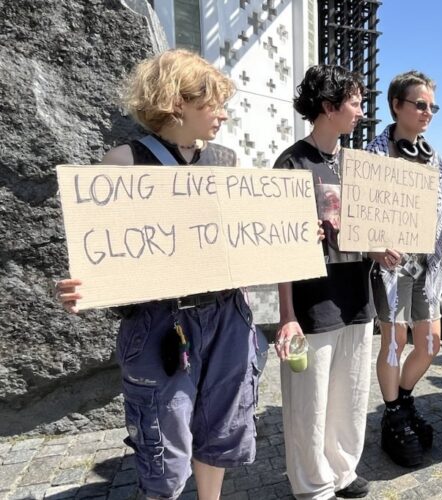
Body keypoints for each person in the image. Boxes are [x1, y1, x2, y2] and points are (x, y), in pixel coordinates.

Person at [54, 49, 265, 500]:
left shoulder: (225, 162)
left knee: (223, 425)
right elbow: (102, 252)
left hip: (225, 314)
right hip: (159, 322)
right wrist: (80, 288)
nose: (224, 115)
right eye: (213, 103)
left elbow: (240, 241)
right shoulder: (124, 163)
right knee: (162, 445)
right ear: (177, 103)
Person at [273, 65, 376, 499]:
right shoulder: (292, 162)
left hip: (357, 297)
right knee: (308, 401)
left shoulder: (359, 165)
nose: (360, 110)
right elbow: (277, 247)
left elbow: (370, 229)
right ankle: (312, 485)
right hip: (312, 302)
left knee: (350, 395)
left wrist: (381, 248)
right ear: (329, 107)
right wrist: (286, 315)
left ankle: (342, 470)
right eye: (353, 101)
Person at [364, 70, 442, 467]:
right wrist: (378, 247)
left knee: (430, 341)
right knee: (394, 342)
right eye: (420, 104)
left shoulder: (433, 155)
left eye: (432, 105)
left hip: (427, 265)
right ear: (396, 106)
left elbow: (438, 215)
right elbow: (361, 213)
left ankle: (402, 399)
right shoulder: (375, 153)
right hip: (391, 267)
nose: (427, 111)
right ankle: (394, 413)